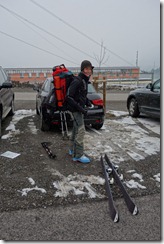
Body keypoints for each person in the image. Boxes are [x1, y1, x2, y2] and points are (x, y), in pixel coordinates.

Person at [66, 60, 94, 164]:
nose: (88, 71)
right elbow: (69, 97)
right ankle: (78, 155)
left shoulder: (84, 80)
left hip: (78, 109)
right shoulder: (78, 80)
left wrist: (87, 101)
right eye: (86, 69)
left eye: (90, 69)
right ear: (82, 69)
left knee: (75, 128)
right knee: (81, 130)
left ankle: (72, 150)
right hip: (76, 110)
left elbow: (81, 95)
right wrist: (81, 108)